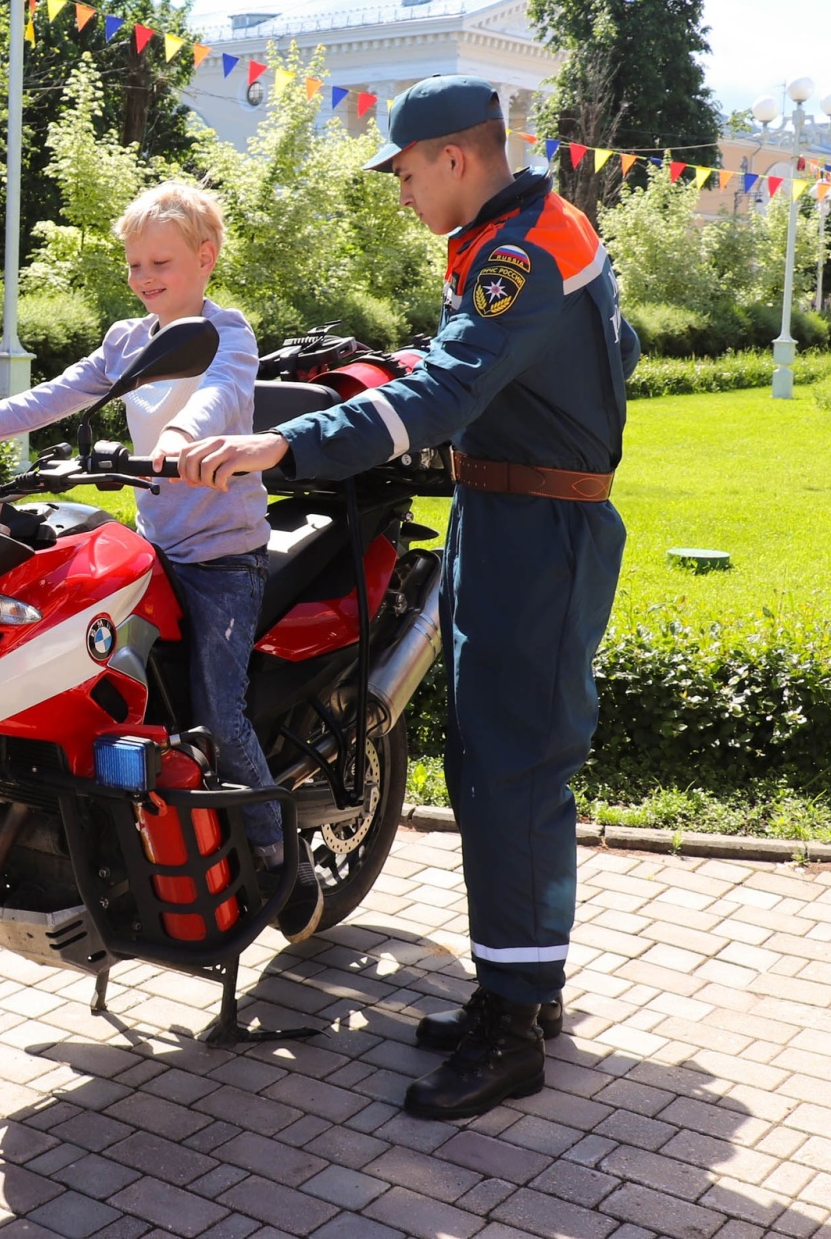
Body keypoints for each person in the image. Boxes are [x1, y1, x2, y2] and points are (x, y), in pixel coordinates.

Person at [170, 75, 639, 1118]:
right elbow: (472, 372)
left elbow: (445, 393)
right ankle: (516, 987)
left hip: (538, 536)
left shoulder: (521, 251)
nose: (400, 192)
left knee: (513, 767)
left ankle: (514, 1024)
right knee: (488, 765)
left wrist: (281, 444)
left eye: (406, 170)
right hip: (507, 517)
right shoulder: (515, 234)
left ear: (457, 159)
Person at [0, 180, 323, 942]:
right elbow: (51, 398)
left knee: (217, 708)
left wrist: (180, 443)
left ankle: (280, 858)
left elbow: (220, 393)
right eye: (134, 264)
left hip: (219, 558)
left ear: (204, 259)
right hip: (152, 548)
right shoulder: (126, 340)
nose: (144, 278)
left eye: (161, 262)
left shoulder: (226, 331)